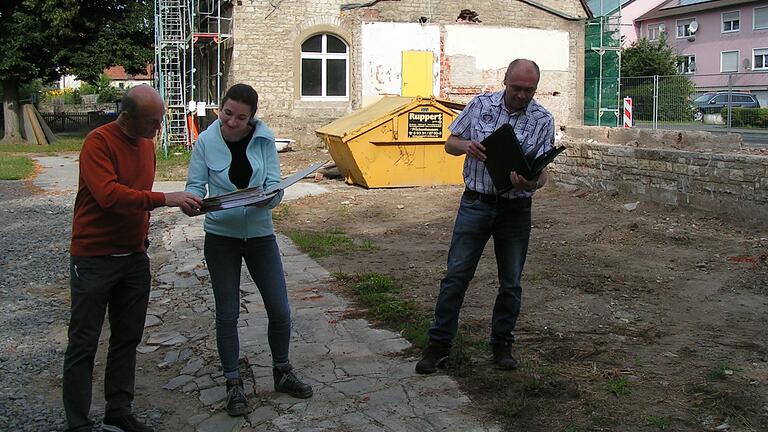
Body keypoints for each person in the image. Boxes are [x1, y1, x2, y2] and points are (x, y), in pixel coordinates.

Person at [63, 85, 202, 432]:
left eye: (160, 120)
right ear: (126, 118)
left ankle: (118, 408)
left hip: (133, 258)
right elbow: (109, 196)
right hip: (94, 256)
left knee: (128, 337)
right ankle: (78, 422)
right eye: (152, 122)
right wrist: (165, 199)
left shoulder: (146, 145)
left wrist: (143, 235)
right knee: (84, 340)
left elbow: (137, 198)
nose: (158, 129)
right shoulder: (98, 143)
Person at [415, 59, 554, 374]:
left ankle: (501, 346)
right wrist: (467, 146)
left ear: (536, 88)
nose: (521, 95)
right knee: (456, 277)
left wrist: (532, 182)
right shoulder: (480, 105)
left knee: (511, 283)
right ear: (505, 80)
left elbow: (543, 173)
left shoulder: (543, 119)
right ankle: (438, 347)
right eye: (516, 88)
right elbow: (449, 143)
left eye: (528, 90)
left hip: (516, 209)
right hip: (476, 203)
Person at [184, 83, 313, 417]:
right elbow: (195, 185)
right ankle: (233, 383)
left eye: (241, 117)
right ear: (220, 109)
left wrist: (272, 196)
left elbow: (275, 185)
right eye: (227, 113)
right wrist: (194, 201)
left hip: (259, 235)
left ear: (252, 117)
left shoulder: (264, 139)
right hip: (221, 237)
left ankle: (282, 371)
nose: (232, 122)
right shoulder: (205, 142)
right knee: (227, 313)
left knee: (280, 309)